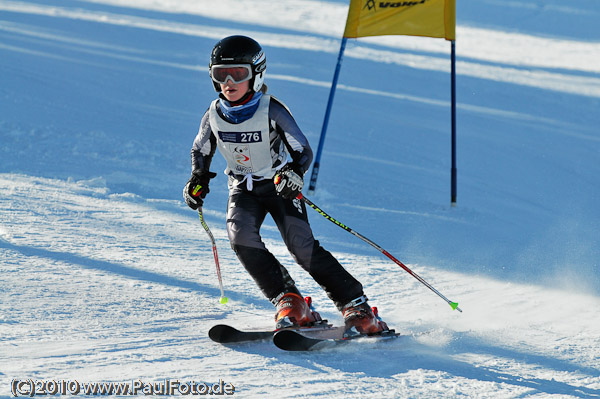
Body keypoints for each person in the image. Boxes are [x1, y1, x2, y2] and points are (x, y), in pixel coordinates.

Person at [183, 35, 388, 335]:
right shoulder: (213, 115)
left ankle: (356, 305)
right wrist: (198, 179)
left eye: (238, 73)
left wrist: (294, 173)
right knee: (240, 238)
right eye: (219, 74)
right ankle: (289, 299)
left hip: (279, 186)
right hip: (243, 188)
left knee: (300, 246)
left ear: (256, 74)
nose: (228, 81)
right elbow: (200, 150)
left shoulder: (271, 110)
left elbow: (302, 150)